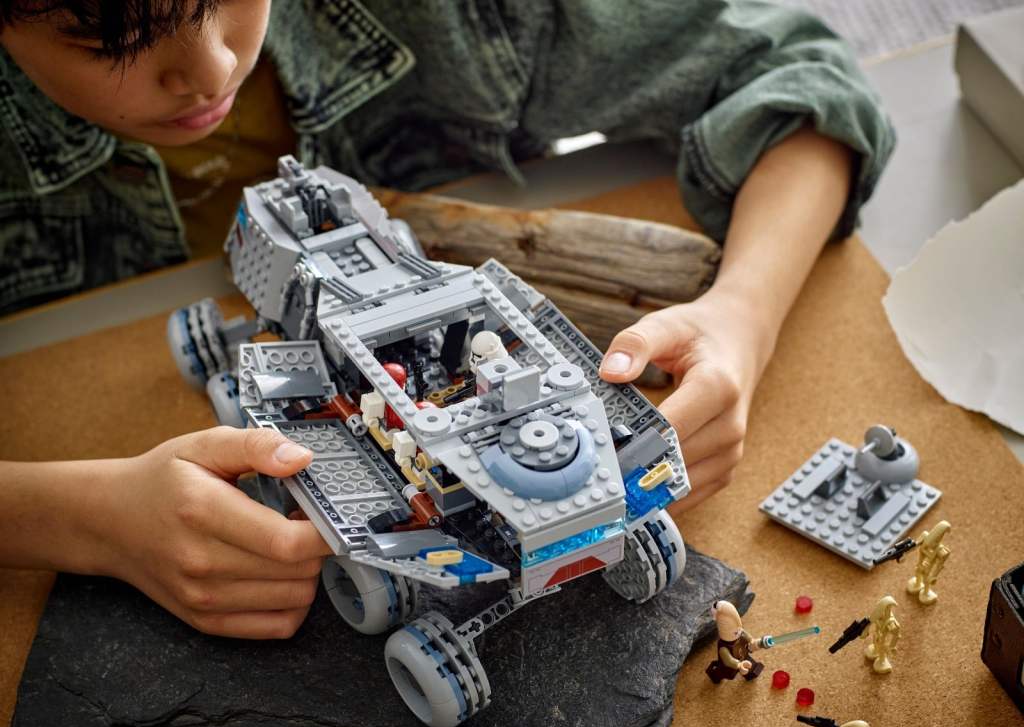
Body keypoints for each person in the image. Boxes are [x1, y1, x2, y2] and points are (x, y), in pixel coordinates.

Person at [0, 0, 895, 638]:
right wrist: (79, 516)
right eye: (105, 37)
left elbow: (797, 67)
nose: (211, 69)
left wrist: (740, 318)